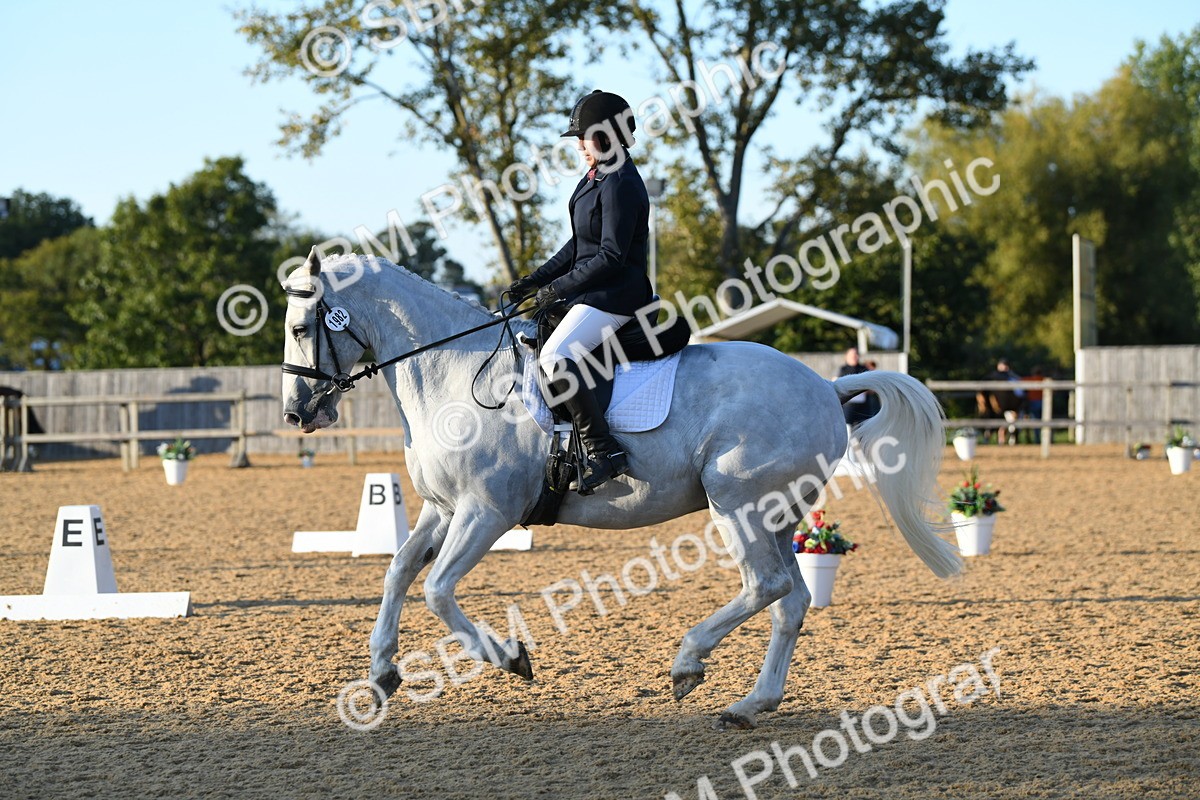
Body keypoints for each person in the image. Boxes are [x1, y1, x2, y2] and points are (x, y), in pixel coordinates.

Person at [506, 90, 652, 493]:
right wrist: (536, 279)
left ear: (604, 136)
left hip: (618, 295)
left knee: (556, 354)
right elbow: (577, 245)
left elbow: (610, 256)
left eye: (582, 138)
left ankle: (603, 450)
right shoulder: (596, 179)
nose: (577, 146)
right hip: (593, 292)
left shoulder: (621, 182)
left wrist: (558, 288)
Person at [835, 347, 871, 426]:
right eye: (852, 355)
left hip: (863, 406)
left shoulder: (863, 368)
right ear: (846, 356)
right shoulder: (842, 370)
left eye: (856, 354)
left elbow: (871, 386)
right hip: (848, 405)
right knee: (847, 428)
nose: (855, 357)